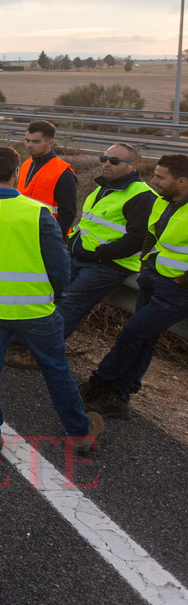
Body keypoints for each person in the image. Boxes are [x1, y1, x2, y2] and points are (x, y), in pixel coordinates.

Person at [0, 146, 104, 456]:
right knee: (55, 369)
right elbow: (60, 266)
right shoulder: (36, 211)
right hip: (36, 309)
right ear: (17, 173)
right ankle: (79, 432)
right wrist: (57, 296)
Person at [82, 154, 188, 419]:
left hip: (177, 289)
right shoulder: (163, 201)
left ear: (183, 181)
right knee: (143, 339)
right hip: (154, 278)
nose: (154, 181)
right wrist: (146, 265)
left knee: (131, 333)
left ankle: (101, 381)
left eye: (161, 177)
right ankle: (117, 396)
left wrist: (182, 281)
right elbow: (150, 235)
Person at [57, 143, 157, 343]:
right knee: (53, 297)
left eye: (114, 161)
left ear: (132, 166)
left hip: (108, 264)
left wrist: (98, 254)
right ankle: (28, 342)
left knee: (69, 306)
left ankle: (38, 355)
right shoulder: (105, 188)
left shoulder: (142, 196)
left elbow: (136, 239)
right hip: (82, 256)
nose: (107, 164)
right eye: (104, 159)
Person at [7, 120, 78, 369]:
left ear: (50, 142)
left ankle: (36, 349)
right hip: (24, 239)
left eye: (35, 141)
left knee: (42, 298)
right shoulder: (26, 164)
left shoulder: (63, 172)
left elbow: (68, 213)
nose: (29, 145)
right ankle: (18, 338)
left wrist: (52, 242)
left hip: (47, 243)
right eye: (27, 140)